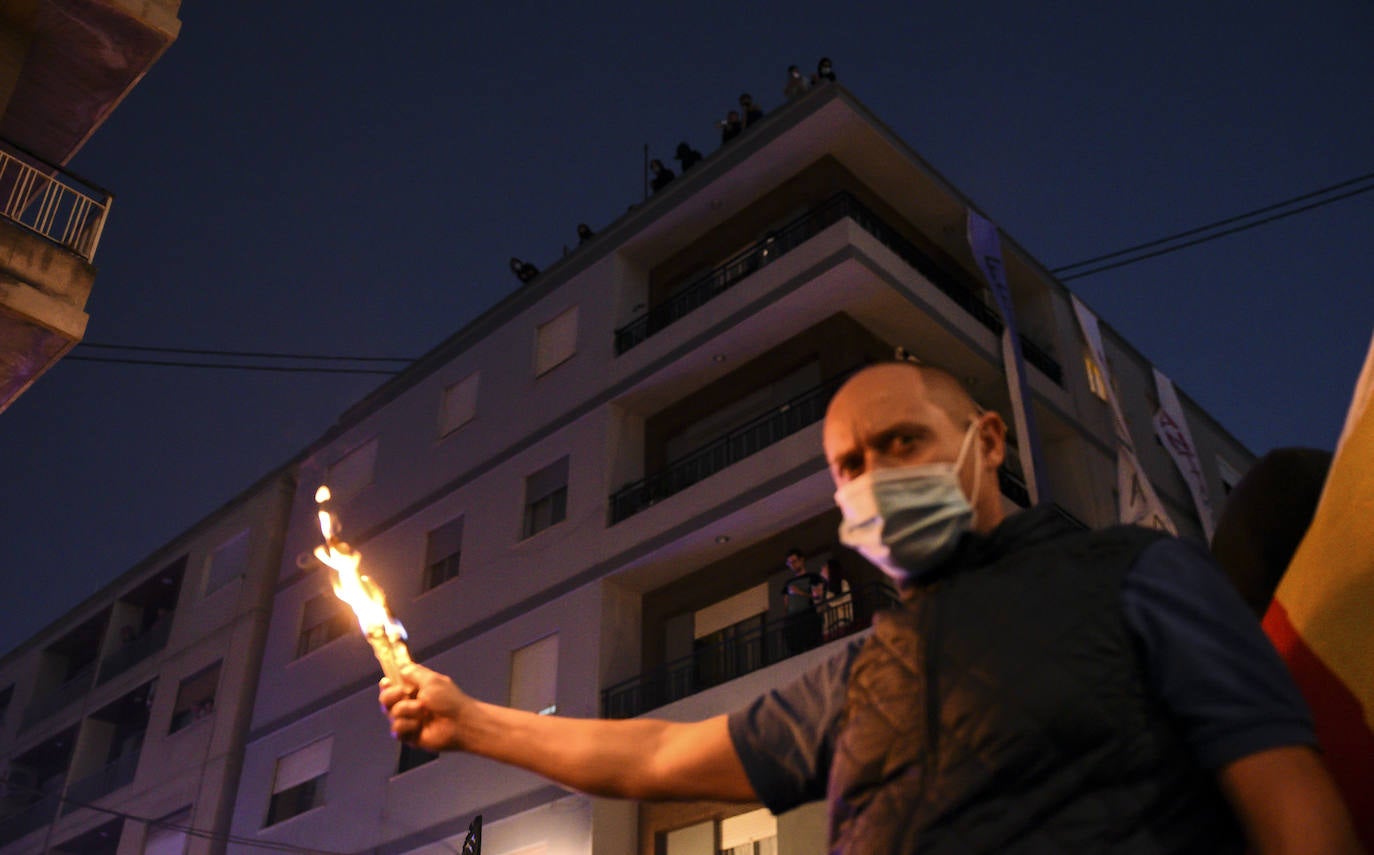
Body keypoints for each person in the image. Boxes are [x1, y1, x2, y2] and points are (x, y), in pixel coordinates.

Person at [381, 362, 1361, 853]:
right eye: (850, 465)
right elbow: (654, 757)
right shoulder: (855, 683)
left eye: (900, 443)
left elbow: (1291, 804)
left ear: (988, 439)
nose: (874, 476)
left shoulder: (1138, 575)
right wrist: (471, 721)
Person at [780, 548, 824, 654]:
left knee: (813, 649)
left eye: (794, 561)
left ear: (801, 560)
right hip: (793, 621)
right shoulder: (788, 583)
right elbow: (786, 604)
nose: (792, 565)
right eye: (789, 563)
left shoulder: (813, 577)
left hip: (809, 616)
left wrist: (799, 592)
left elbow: (818, 597)